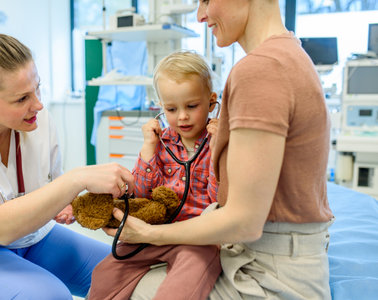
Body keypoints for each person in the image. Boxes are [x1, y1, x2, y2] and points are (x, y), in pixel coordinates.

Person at [103, 1, 335, 299]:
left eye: (207, 0)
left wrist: (150, 234)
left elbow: (242, 222)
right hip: (282, 258)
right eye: (171, 108)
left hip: (270, 274)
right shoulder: (290, 54)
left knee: (130, 291)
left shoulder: (261, 69)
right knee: (108, 274)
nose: (200, 14)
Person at [0, 26, 135, 300]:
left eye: (37, 89)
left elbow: (49, 188)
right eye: (22, 98)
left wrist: (65, 203)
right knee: (48, 296)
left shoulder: (36, 118)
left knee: (129, 271)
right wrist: (76, 179)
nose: (38, 105)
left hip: (29, 237)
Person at [88, 50, 221, 300]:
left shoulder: (219, 141)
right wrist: (148, 149)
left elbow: (220, 201)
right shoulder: (163, 141)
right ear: (161, 107)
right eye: (171, 109)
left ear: (212, 102)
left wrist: (217, 154)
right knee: (105, 274)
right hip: (156, 232)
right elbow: (142, 193)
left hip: (198, 238)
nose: (182, 116)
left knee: (184, 280)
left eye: (192, 106)